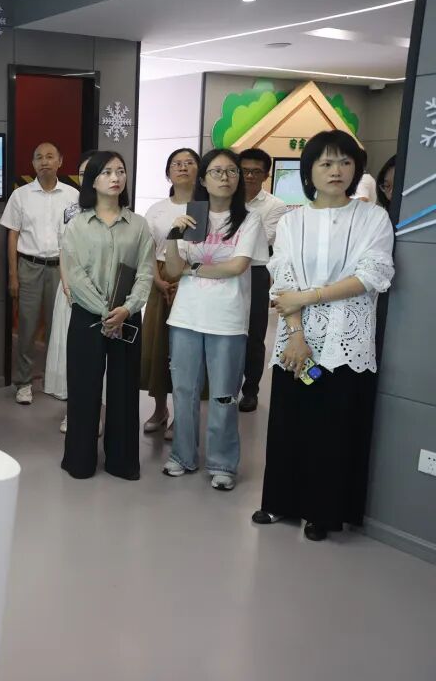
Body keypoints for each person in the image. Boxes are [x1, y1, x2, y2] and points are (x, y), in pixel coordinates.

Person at [253, 130, 394, 541]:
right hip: (296, 339)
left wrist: (310, 295)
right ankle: (280, 501)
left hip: (347, 339)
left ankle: (322, 512)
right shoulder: (293, 220)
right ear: (309, 170)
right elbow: (283, 280)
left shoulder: (373, 217)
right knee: (289, 421)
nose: (337, 171)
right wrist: (296, 335)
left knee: (333, 427)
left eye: (345, 162)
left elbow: (372, 274)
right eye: (326, 163)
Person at [162, 148, 268, 491]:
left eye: (231, 171)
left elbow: (236, 266)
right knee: (184, 391)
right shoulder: (192, 216)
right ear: (203, 179)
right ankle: (182, 455)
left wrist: (193, 268)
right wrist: (173, 237)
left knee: (224, 395)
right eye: (217, 171)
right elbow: (173, 271)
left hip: (227, 320)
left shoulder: (249, 219)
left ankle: (223, 463)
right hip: (186, 318)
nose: (225, 177)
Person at [59, 151, 154, 480]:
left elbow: (146, 272)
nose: (116, 177)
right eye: (107, 172)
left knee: (124, 389)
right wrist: (104, 312)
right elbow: (74, 274)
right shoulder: (77, 225)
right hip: (88, 316)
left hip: (127, 316)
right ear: (92, 180)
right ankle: (79, 460)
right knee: (84, 388)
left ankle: (122, 461)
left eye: (120, 171)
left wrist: (127, 308)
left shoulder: (138, 225)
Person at [0, 142, 79, 405]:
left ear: (60, 161)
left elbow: (79, 235)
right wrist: (13, 275)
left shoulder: (73, 195)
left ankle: (58, 381)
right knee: (27, 327)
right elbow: (12, 235)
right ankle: (23, 383)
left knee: (62, 327)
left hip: (62, 269)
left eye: (49, 156)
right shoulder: (20, 195)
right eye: (38, 157)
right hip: (29, 267)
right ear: (33, 163)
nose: (44, 161)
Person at [139, 148, 200, 441]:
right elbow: (147, 248)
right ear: (168, 173)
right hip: (160, 277)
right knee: (158, 345)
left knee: (186, 349)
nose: (183, 167)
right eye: (177, 163)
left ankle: (182, 414)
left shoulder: (205, 207)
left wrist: (183, 277)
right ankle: (159, 410)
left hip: (194, 278)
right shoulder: (157, 209)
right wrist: (158, 279)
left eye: (189, 163)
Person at [44, 149, 96, 432]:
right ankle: (73, 410)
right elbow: (64, 250)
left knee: (98, 356)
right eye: (83, 173)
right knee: (72, 353)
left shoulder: (121, 212)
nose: (88, 178)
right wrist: (66, 283)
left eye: (95, 171)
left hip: (103, 293)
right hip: (71, 292)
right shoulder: (71, 209)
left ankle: (98, 413)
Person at [237, 148, 289, 412]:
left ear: (266, 175)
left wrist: (228, 241)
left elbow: (263, 239)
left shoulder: (275, 206)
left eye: (256, 172)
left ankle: (250, 391)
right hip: (223, 271)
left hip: (256, 272)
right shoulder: (224, 198)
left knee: (254, 335)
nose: (249, 176)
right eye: (245, 170)